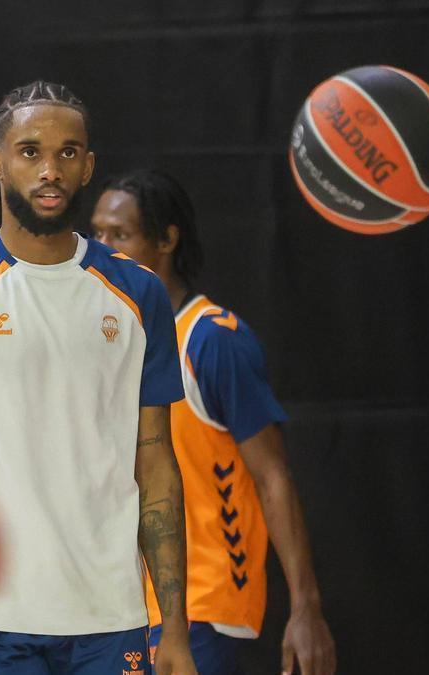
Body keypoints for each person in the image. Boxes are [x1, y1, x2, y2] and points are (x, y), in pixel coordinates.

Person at [0, 80, 199, 675]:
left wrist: (174, 627)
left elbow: (155, 462)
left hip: (113, 617)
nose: (50, 169)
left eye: (68, 153)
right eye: (30, 151)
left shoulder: (139, 294)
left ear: (88, 167)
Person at [90, 169, 336, 675]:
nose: (102, 246)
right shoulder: (111, 343)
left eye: (120, 233)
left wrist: (306, 607)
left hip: (205, 603)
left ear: (166, 239)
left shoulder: (212, 340)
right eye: (96, 233)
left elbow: (273, 477)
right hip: (128, 609)